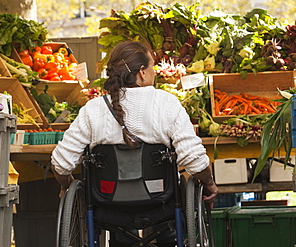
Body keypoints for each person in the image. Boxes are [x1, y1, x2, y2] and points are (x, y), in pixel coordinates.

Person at [51, 40, 218, 245]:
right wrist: (209, 183)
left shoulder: (92, 109)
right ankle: (167, 240)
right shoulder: (166, 103)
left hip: (107, 204)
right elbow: (194, 159)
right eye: (152, 68)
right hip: (162, 202)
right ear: (142, 72)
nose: (155, 73)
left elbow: (60, 164)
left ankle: (121, 241)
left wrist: (65, 187)